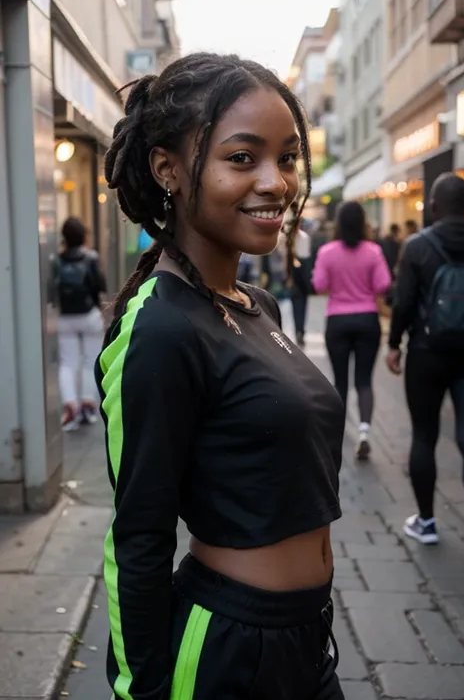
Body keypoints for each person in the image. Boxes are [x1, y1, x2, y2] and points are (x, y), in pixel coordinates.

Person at [96, 53, 346, 700]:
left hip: (306, 638)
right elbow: (138, 535)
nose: (276, 181)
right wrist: (140, 689)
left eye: (287, 158)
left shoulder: (252, 303)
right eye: (243, 158)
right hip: (228, 652)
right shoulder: (160, 326)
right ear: (168, 169)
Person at [386, 173, 464, 553]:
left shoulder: (417, 246)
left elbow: (403, 302)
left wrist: (394, 345)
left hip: (426, 352)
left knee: (424, 436)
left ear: (434, 206)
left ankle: (427, 522)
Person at [312, 201, 391, 460]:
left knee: (340, 382)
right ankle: (366, 431)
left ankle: (338, 432)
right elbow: (383, 284)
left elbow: (319, 285)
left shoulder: (326, 252)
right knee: (364, 380)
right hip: (368, 319)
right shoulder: (373, 251)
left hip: (337, 321)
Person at [51, 216, 106, 431]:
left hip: (66, 317)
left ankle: (70, 405)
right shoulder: (90, 257)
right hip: (88, 316)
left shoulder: (56, 260)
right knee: (90, 360)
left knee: (67, 363)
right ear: (83, 236)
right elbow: (100, 285)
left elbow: (51, 291)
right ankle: (87, 404)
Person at [288, 201, 312, 346]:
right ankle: (298, 329)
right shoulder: (288, 238)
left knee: (303, 303)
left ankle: (301, 330)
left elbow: (307, 257)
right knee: (296, 303)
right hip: (293, 271)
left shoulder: (304, 238)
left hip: (302, 270)